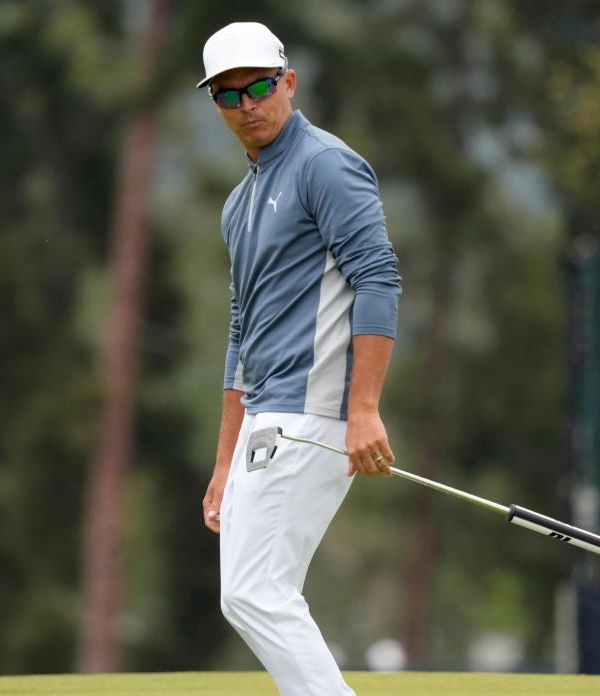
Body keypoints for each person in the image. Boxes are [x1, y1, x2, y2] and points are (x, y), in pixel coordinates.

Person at [197, 22, 402, 696]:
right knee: (255, 593)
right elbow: (240, 332)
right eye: (228, 95)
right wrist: (225, 461)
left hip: (311, 414)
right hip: (265, 420)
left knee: (254, 592)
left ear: (287, 81)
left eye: (258, 86)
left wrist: (363, 410)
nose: (246, 104)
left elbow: (377, 279)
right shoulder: (238, 203)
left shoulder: (324, 163)